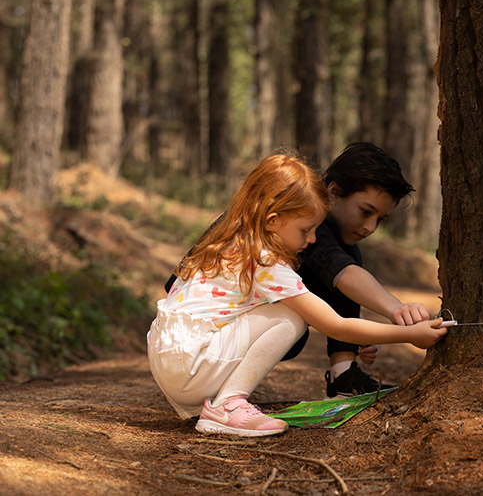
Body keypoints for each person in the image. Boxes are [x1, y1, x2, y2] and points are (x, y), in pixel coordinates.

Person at [148, 153, 446, 438]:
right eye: (306, 230)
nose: (311, 238)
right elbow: (335, 324)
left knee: (297, 302)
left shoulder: (231, 237)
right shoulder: (267, 263)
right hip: (191, 367)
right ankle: (227, 405)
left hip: (170, 360)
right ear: (273, 220)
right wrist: (407, 334)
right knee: (292, 317)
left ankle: (219, 397)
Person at [297, 142, 433, 398]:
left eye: (379, 219)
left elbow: (343, 272)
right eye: (365, 211)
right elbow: (343, 273)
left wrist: (359, 328)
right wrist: (397, 310)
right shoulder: (303, 225)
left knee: (347, 259)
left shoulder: (343, 245)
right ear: (334, 192)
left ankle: (343, 373)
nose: (370, 227)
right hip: (217, 318)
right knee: (291, 330)